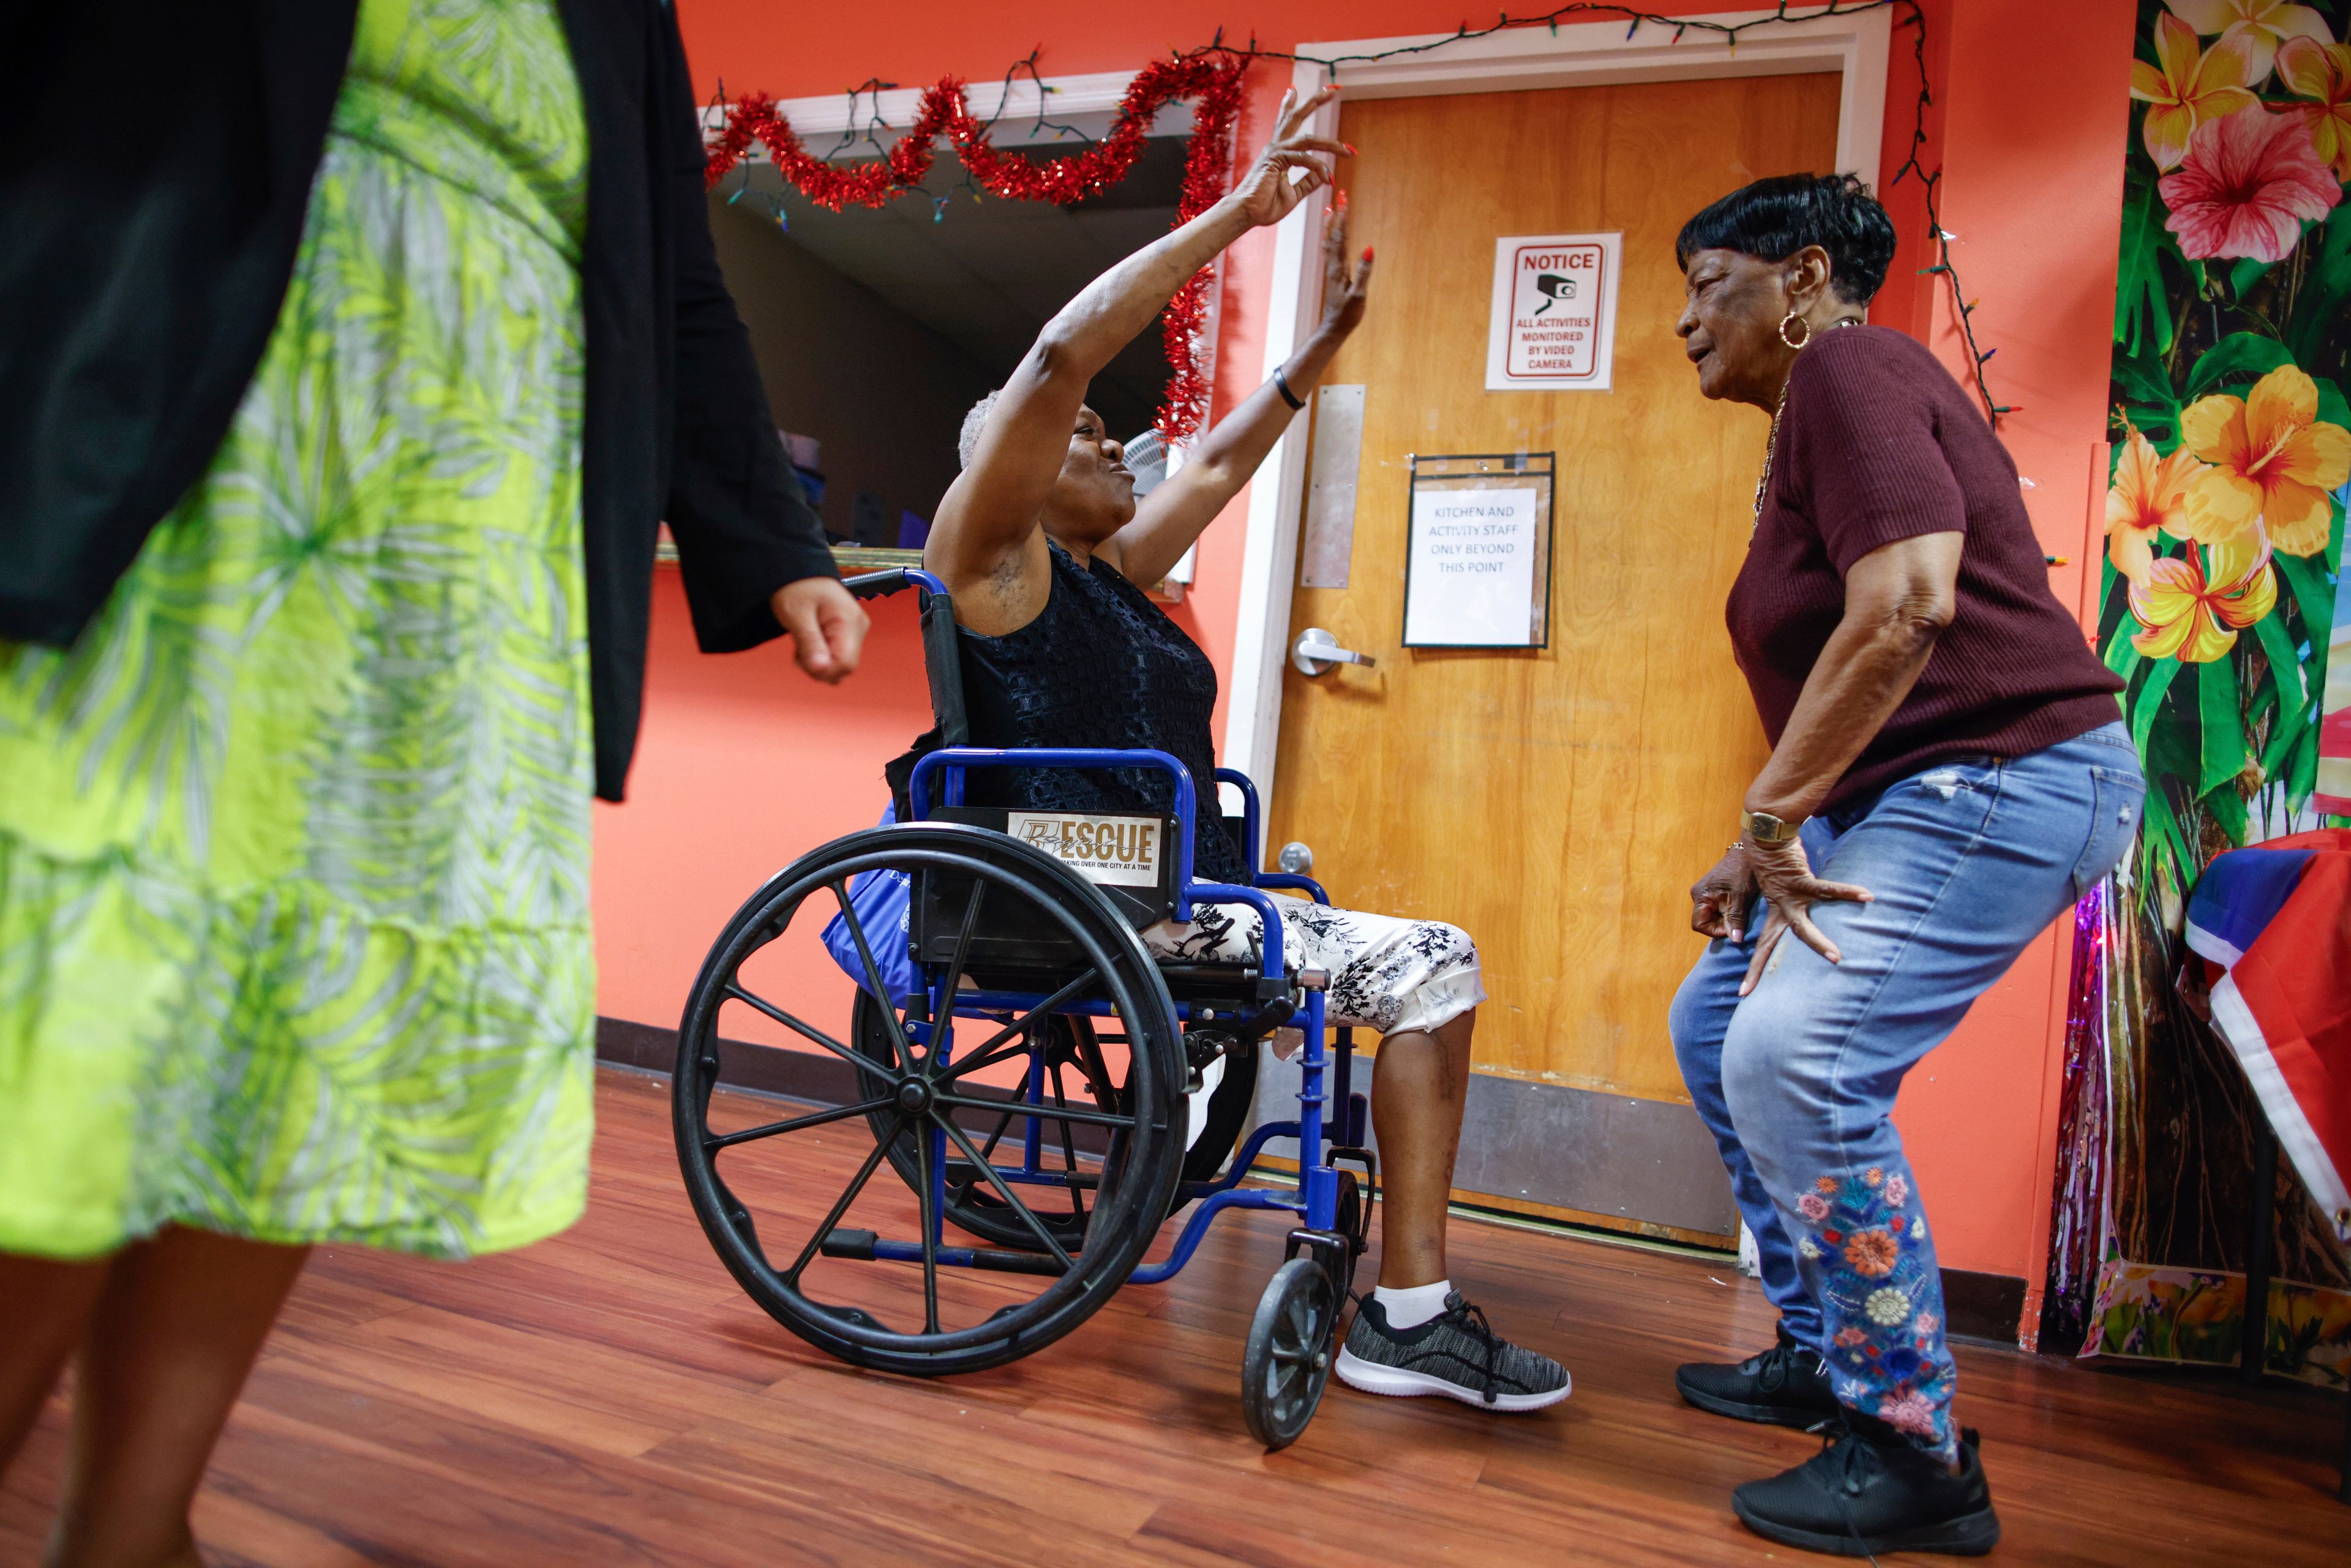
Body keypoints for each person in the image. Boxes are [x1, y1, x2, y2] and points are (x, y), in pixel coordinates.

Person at [0, 4, 867, 1562]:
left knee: (296, 1028)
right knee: (87, 980)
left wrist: (773, 543)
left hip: (467, 539)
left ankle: (132, 1529)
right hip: (176, 440)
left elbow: (672, 276)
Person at [906, 84, 1570, 1414]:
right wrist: (1239, 213)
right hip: (1103, 904)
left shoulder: (1103, 576)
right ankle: (1411, 1321)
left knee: (1378, 946)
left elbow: (1209, 473)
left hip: (1169, 892)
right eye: (1089, 437)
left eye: (1109, 435)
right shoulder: (992, 562)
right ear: (1010, 472)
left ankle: (1392, 1288)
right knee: (1438, 966)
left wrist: (1314, 357)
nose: (1116, 442)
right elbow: (1054, 365)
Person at [1663, 172, 2142, 1556]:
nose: (1688, 324)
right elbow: (1856, 675)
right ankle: (1825, 1349)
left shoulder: (1855, 370)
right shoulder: (1815, 421)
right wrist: (1762, 841)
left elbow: (1912, 608)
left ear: (1804, 279)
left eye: (1712, 286)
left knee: (1793, 1058)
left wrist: (1770, 825)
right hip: (1933, 790)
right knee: (1715, 1024)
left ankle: (1913, 1437)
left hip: (2014, 773)